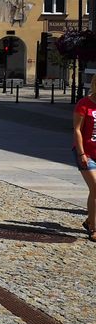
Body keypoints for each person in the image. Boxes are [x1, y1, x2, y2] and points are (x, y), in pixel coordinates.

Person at [70, 73, 96, 243]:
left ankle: (89, 221)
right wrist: (81, 153)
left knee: (94, 191)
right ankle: (94, 228)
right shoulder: (84, 104)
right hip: (85, 153)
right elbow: (77, 129)